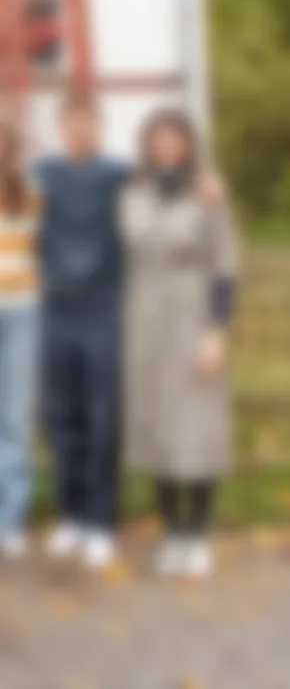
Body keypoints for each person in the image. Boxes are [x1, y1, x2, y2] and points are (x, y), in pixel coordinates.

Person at [120, 110, 239, 578]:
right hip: (146, 325)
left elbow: (224, 268)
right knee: (159, 433)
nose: (167, 147)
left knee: (199, 431)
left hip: (192, 321)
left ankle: (197, 535)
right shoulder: (133, 194)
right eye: (159, 140)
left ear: (187, 145)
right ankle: (172, 533)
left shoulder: (206, 196)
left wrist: (215, 331)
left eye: (175, 139)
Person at [35, 97, 131, 570]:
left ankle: (100, 523)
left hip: (102, 310)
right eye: (71, 125)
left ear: (98, 127)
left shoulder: (119, 176)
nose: (79, 132)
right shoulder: (46, 175)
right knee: (61, 416)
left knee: (101, 417)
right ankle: (72, 518)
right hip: (55, 310)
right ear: (62, 128)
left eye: (87, 124)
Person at [0, 120, 38, 560]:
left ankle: (11, 519)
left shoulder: (31, 192)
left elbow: (43, 245)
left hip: (23, 312)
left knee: (13, 417)